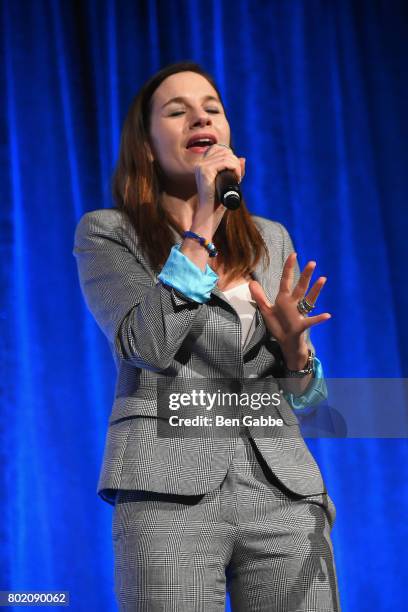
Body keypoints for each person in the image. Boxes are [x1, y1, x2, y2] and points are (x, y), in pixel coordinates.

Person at [73, 61, 341, 611]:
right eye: (178, 111)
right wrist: (201, 225)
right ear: (147, 146)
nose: (200, 116)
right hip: (167, 488)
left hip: (282, 490)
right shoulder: (108, 232)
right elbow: (147, 345)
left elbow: (311, 401)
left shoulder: (270, 238)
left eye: (211, 108)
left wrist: (297, 350)